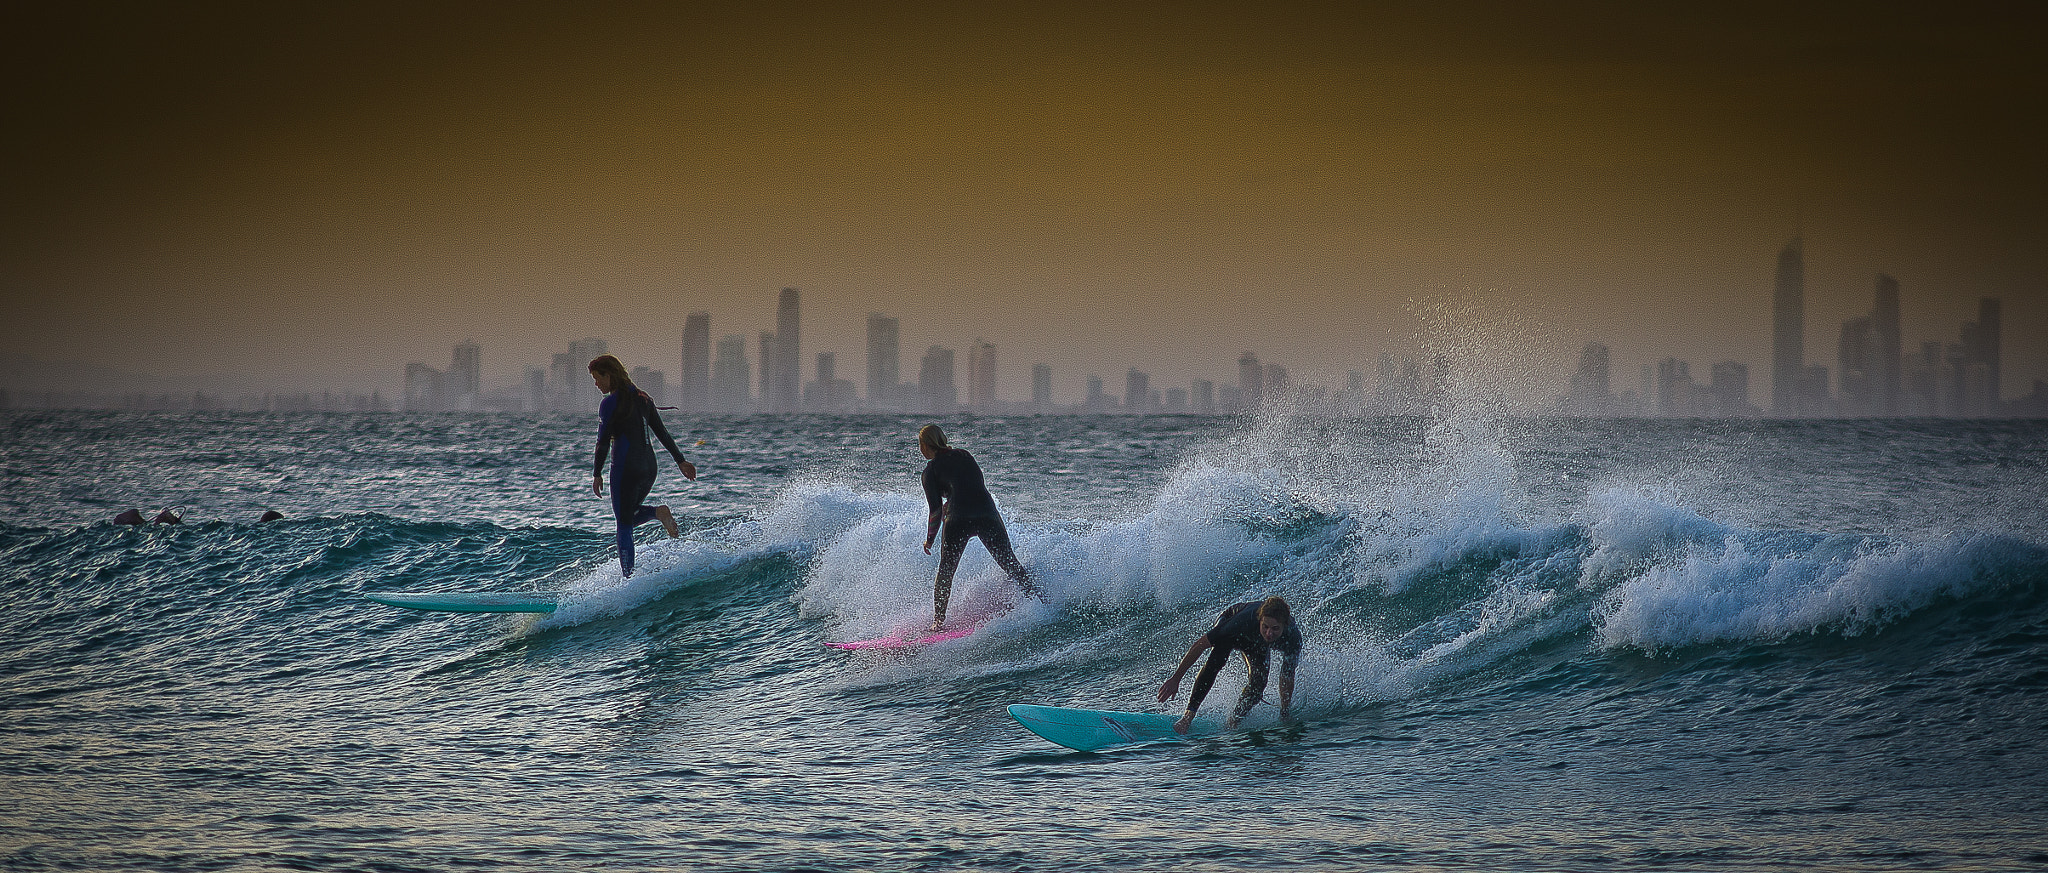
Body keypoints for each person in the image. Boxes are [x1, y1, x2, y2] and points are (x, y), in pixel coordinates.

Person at [917, 423, 1040, 631]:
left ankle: (938, 622)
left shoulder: (930, 471)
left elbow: (935, 511)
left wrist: (930, 539)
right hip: (987, 514)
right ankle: (1039, 601)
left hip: (958, 520)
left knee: (946, 572)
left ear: (925, 446)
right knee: (1010, 563)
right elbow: (974, 486)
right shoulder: (965, 455)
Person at [589, 354, 695, 577]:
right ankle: (658, 512)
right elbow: (662, 433)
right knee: (628, 515)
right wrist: (680, 460)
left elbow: (602, 443)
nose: (597, 384)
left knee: (623, 525)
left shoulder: (609, 403)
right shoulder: (644, 398)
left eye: (598, 378)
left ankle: (628, 578)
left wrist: (597, 473)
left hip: (625, 467)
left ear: (609, 375)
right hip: (649, 467)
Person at [1156, 596, 1302, 734]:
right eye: (1265, 626)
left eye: (1275, 629)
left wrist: (1285, 711)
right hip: (1232, 624)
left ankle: (1233, 721)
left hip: (1256, 644)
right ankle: (1187, 717)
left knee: (1258, 685)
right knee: (1217, 659)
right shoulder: (1240, 622)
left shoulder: (1293, 637)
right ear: (1260, 620)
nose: (1269, 633)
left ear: (1285, 625)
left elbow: (1287, 676)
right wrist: (1176, 678)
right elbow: (1199, 645)